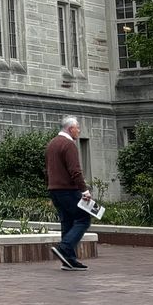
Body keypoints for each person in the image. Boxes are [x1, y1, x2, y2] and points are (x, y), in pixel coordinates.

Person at [45, 116, 92, 270]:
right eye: (77, 127)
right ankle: (64, 247)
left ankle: (69, 260)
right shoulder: (69, 144)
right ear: (71, 128)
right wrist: (84, 190)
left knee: (67, 222)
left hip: (54, 190)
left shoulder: (52, 144)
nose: (79, 130)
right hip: (68, 190)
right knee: (83, 218)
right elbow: (75, 171)